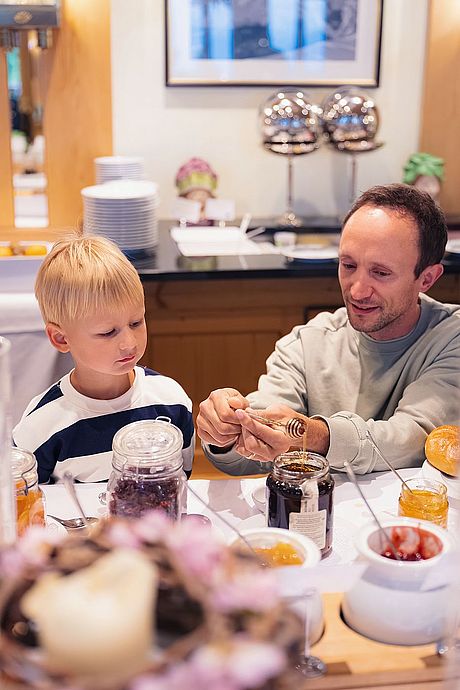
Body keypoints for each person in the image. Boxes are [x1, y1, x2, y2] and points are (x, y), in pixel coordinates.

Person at [197, 184, 460, 476]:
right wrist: (228, 431)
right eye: (348, 265)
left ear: (427, 279)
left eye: (381, 273)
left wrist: (317, 436)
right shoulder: (306, 343)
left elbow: (414, 439)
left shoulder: (451, 338)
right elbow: (253, 449)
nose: (357, 291)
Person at [13, 234, 194, 483]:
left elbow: (180, 484)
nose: (129, 342)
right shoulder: (40, 425)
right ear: (61, 339)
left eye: (136, 322)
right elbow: (28, 501)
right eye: (108, 332)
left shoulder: (171, 400)